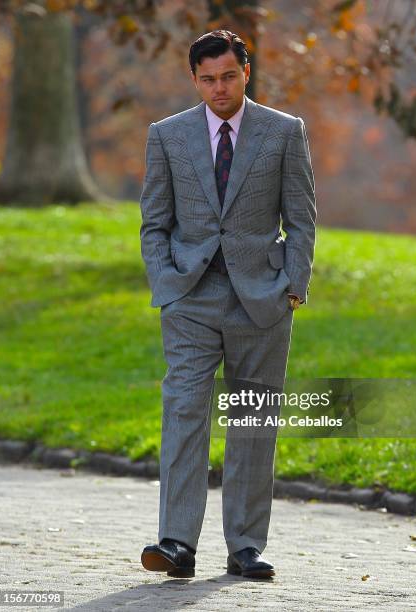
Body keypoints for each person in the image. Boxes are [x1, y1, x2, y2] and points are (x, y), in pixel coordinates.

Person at [139, 29, 316, 579]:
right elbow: (154, 223)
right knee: (184, 414)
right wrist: (166, 283)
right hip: (190, 298)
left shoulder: (284, 132)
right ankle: (176, 544)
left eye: (229, 76)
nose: (220, 88)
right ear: (195, 79)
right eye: (209, 79)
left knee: (253, 421)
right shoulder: (167, 136)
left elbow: (302, 217)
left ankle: (245, 547)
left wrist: (293, 284)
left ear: (246, 72)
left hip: (262, 299)